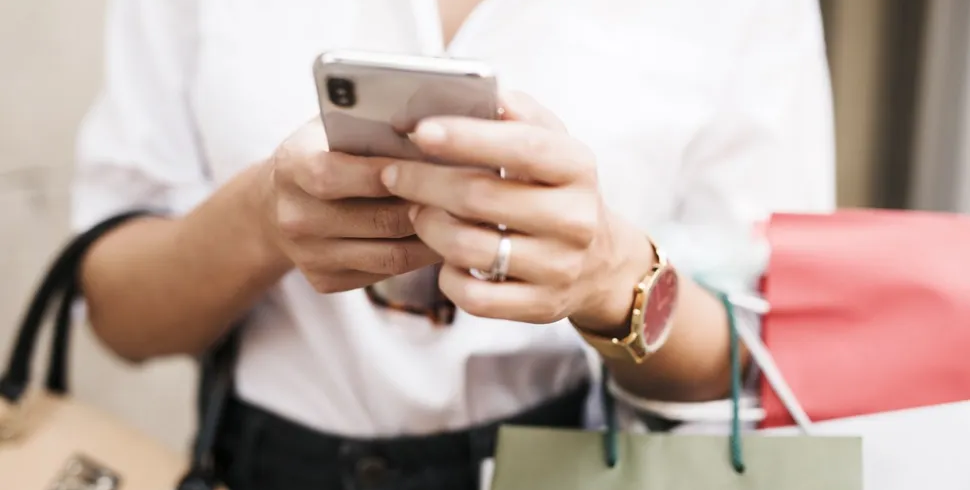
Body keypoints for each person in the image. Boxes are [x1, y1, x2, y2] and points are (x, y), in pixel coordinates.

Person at [74, 0, 834, 489]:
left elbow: (765, 356)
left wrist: (614, 280)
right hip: (259, 465)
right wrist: (259, 217)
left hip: (570, 465)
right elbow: (118, 315)